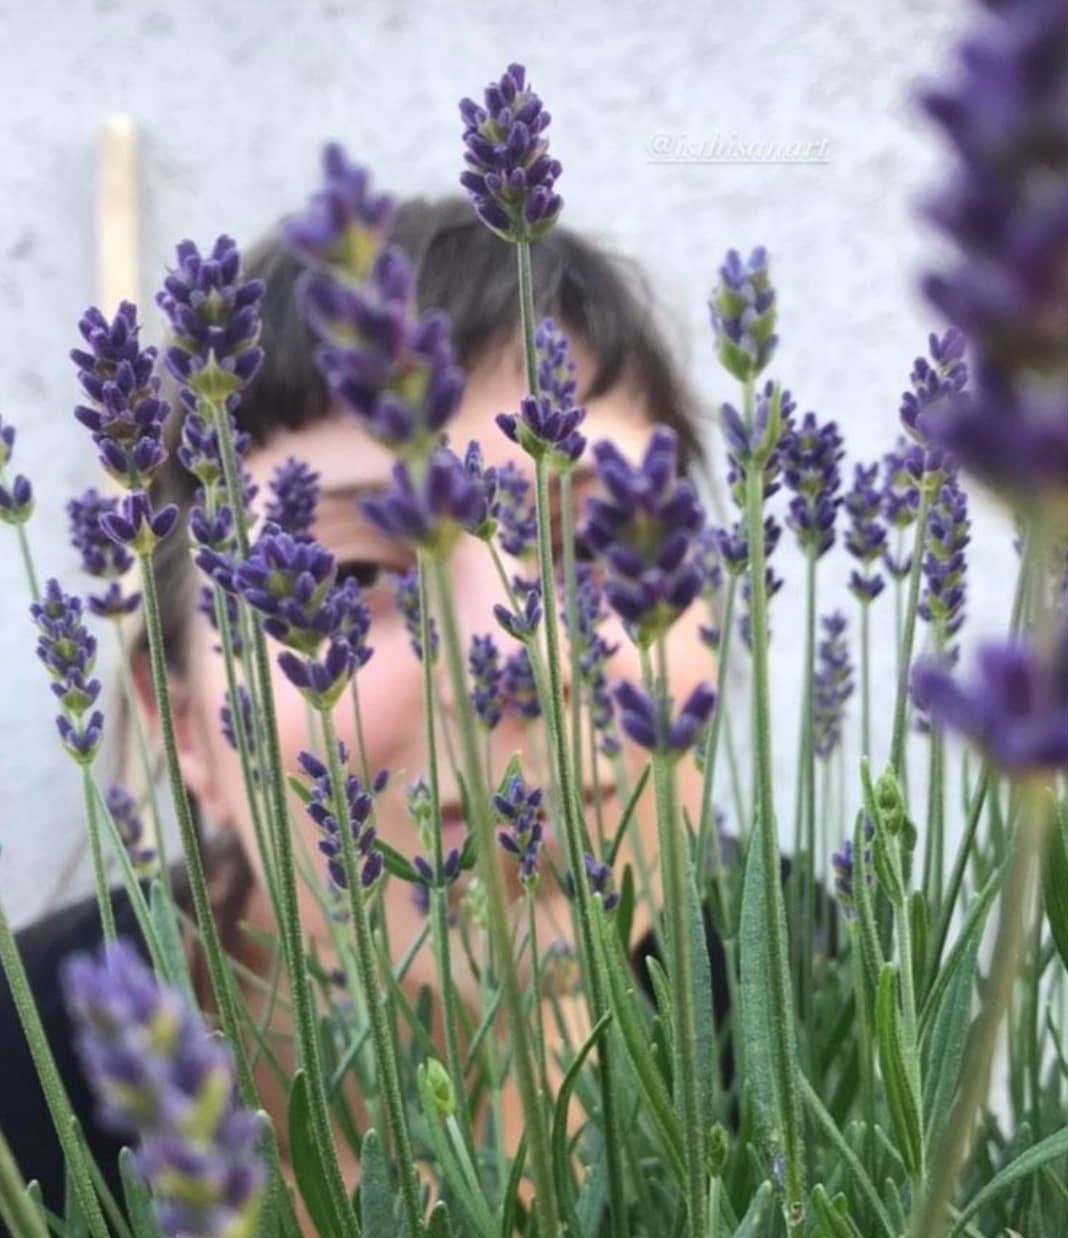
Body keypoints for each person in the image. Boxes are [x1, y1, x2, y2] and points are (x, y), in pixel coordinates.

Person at [0, 194, 717, 1228]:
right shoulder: (23, 1091)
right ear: (185, 722)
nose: (518, 660)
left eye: (596, 548)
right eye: (352, 569)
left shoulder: (818, 978)